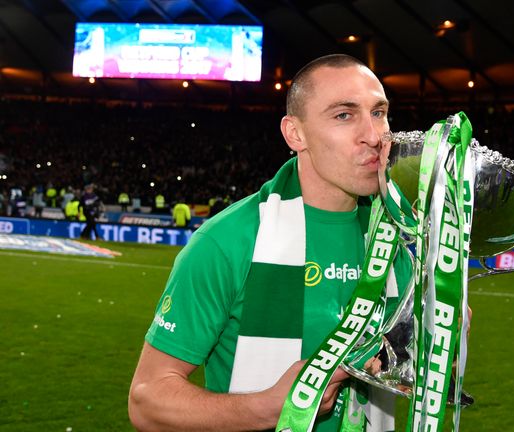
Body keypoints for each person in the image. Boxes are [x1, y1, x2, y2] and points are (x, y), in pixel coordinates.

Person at [129, 54, 411, 432]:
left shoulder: (396, 237)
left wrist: (443, 345)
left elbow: (407, 370)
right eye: (344, 115)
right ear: (295, 134)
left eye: (379, 112)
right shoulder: (227, 241)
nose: (374, 136)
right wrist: (264, 407)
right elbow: (147, 401)